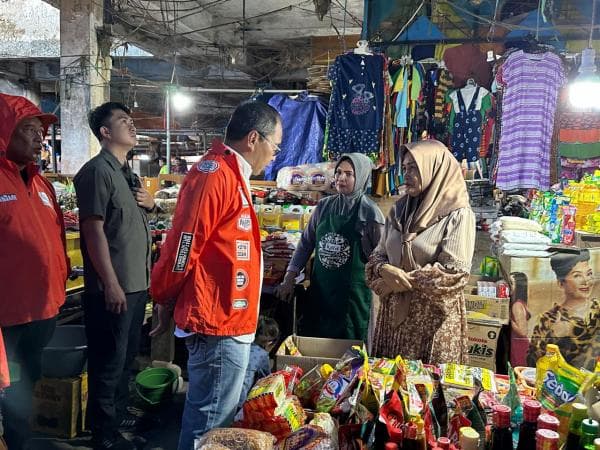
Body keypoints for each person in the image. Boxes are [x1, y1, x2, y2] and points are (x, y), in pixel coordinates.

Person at [150, 100, 282, 450]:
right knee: (208, 427)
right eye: (275, 145)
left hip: (229, 319)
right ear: (254, 138)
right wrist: (163, 296)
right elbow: (182, 246)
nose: (275, 155)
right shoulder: (215, 174)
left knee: (217, 423)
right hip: (216, 321)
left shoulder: (233, 174)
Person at [74, 102, 155, 450]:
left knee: (125, 363)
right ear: (105, 132)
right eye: (123, 121)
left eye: (131, 119)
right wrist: (109, 283)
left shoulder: (127, 174)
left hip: (136, 285)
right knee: (108, 366)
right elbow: (92, 231)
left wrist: (152, 204)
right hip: (114, 287)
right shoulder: (96, 172)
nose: (131, 125)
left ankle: (117, 429)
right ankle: (103, 439)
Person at [365, 140, 476, 364]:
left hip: (432, 321)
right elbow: (377, 255)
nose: (406, 174)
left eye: (414, 167)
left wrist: (398, 281)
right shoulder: (398, 210)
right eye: (404, 168)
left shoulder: (458, 214)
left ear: (435, 168)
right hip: (395, 318)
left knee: (426, 390)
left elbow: (453, 275)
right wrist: (383, 268)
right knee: (391, 390)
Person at [0, 93, 69, 449]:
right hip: (8, 315)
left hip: (43, 309)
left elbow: (56, 234)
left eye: (41, 130)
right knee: (9, 390)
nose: (40, 136)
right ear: (4, 132)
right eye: (29, 128)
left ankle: (24, 440)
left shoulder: (42, 185)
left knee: (31, 382)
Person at [277, 153, 385, 341]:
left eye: (349, 174)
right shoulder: (324, 206)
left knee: (351, 352)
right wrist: (289, 277)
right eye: (338, 173)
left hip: (353, 298)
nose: (341, 178)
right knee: (316, 343)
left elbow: (382, 257)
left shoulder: (370, 213)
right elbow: (305, 244)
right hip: (322, 293)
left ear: (361, 177)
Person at [527, 249, 599, 370]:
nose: (586, 281)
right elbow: (531, 364)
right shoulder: (549, 319)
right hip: (563, 385)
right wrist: (554, 336)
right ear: (561, 283)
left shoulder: (597, 308)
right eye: (577, 276)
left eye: (589, 274)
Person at [237, 316, 280, 410]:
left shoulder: (241, 347)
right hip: (242, 398)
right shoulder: (262, 355)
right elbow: (266, 380)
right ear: (269, 342)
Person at [509, 272, 530, 366]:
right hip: (516, 344)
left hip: (518, 346)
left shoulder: (517, 305)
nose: (508, 285)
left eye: (511, 283)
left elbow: (523, 332)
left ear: (519, 286)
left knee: (517, 375)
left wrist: (507, 319)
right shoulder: (518, 303)